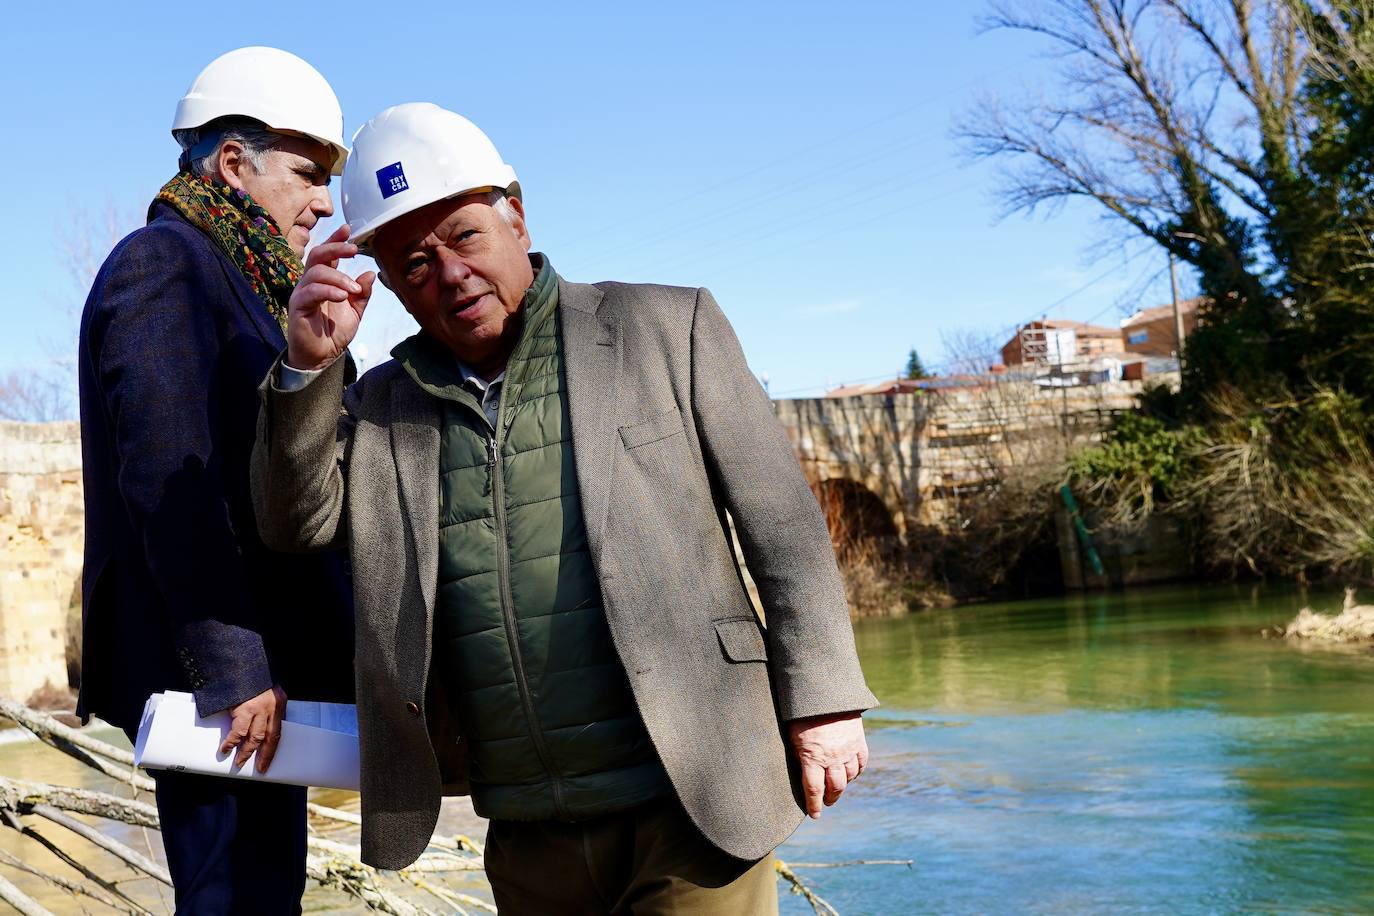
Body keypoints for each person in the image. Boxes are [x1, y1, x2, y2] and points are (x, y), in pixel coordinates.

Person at [251, 102, 877, 914]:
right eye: (412, 264)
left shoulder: (666, 328)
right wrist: (308, 367)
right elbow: (294, 525)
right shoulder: (381, 406)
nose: (448, 274)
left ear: (515, 212)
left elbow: (783, 529)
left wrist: (823, 703)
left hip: (693, 803)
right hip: (525, 832)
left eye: (466, 236)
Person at [77, 47, 355, 913]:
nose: (323, 202)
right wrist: (233, 668)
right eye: (308, 174)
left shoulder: (252, 280)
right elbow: (168, 483)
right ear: (234, 163)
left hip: (254, 682)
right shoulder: (164, 263)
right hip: (221, 687)